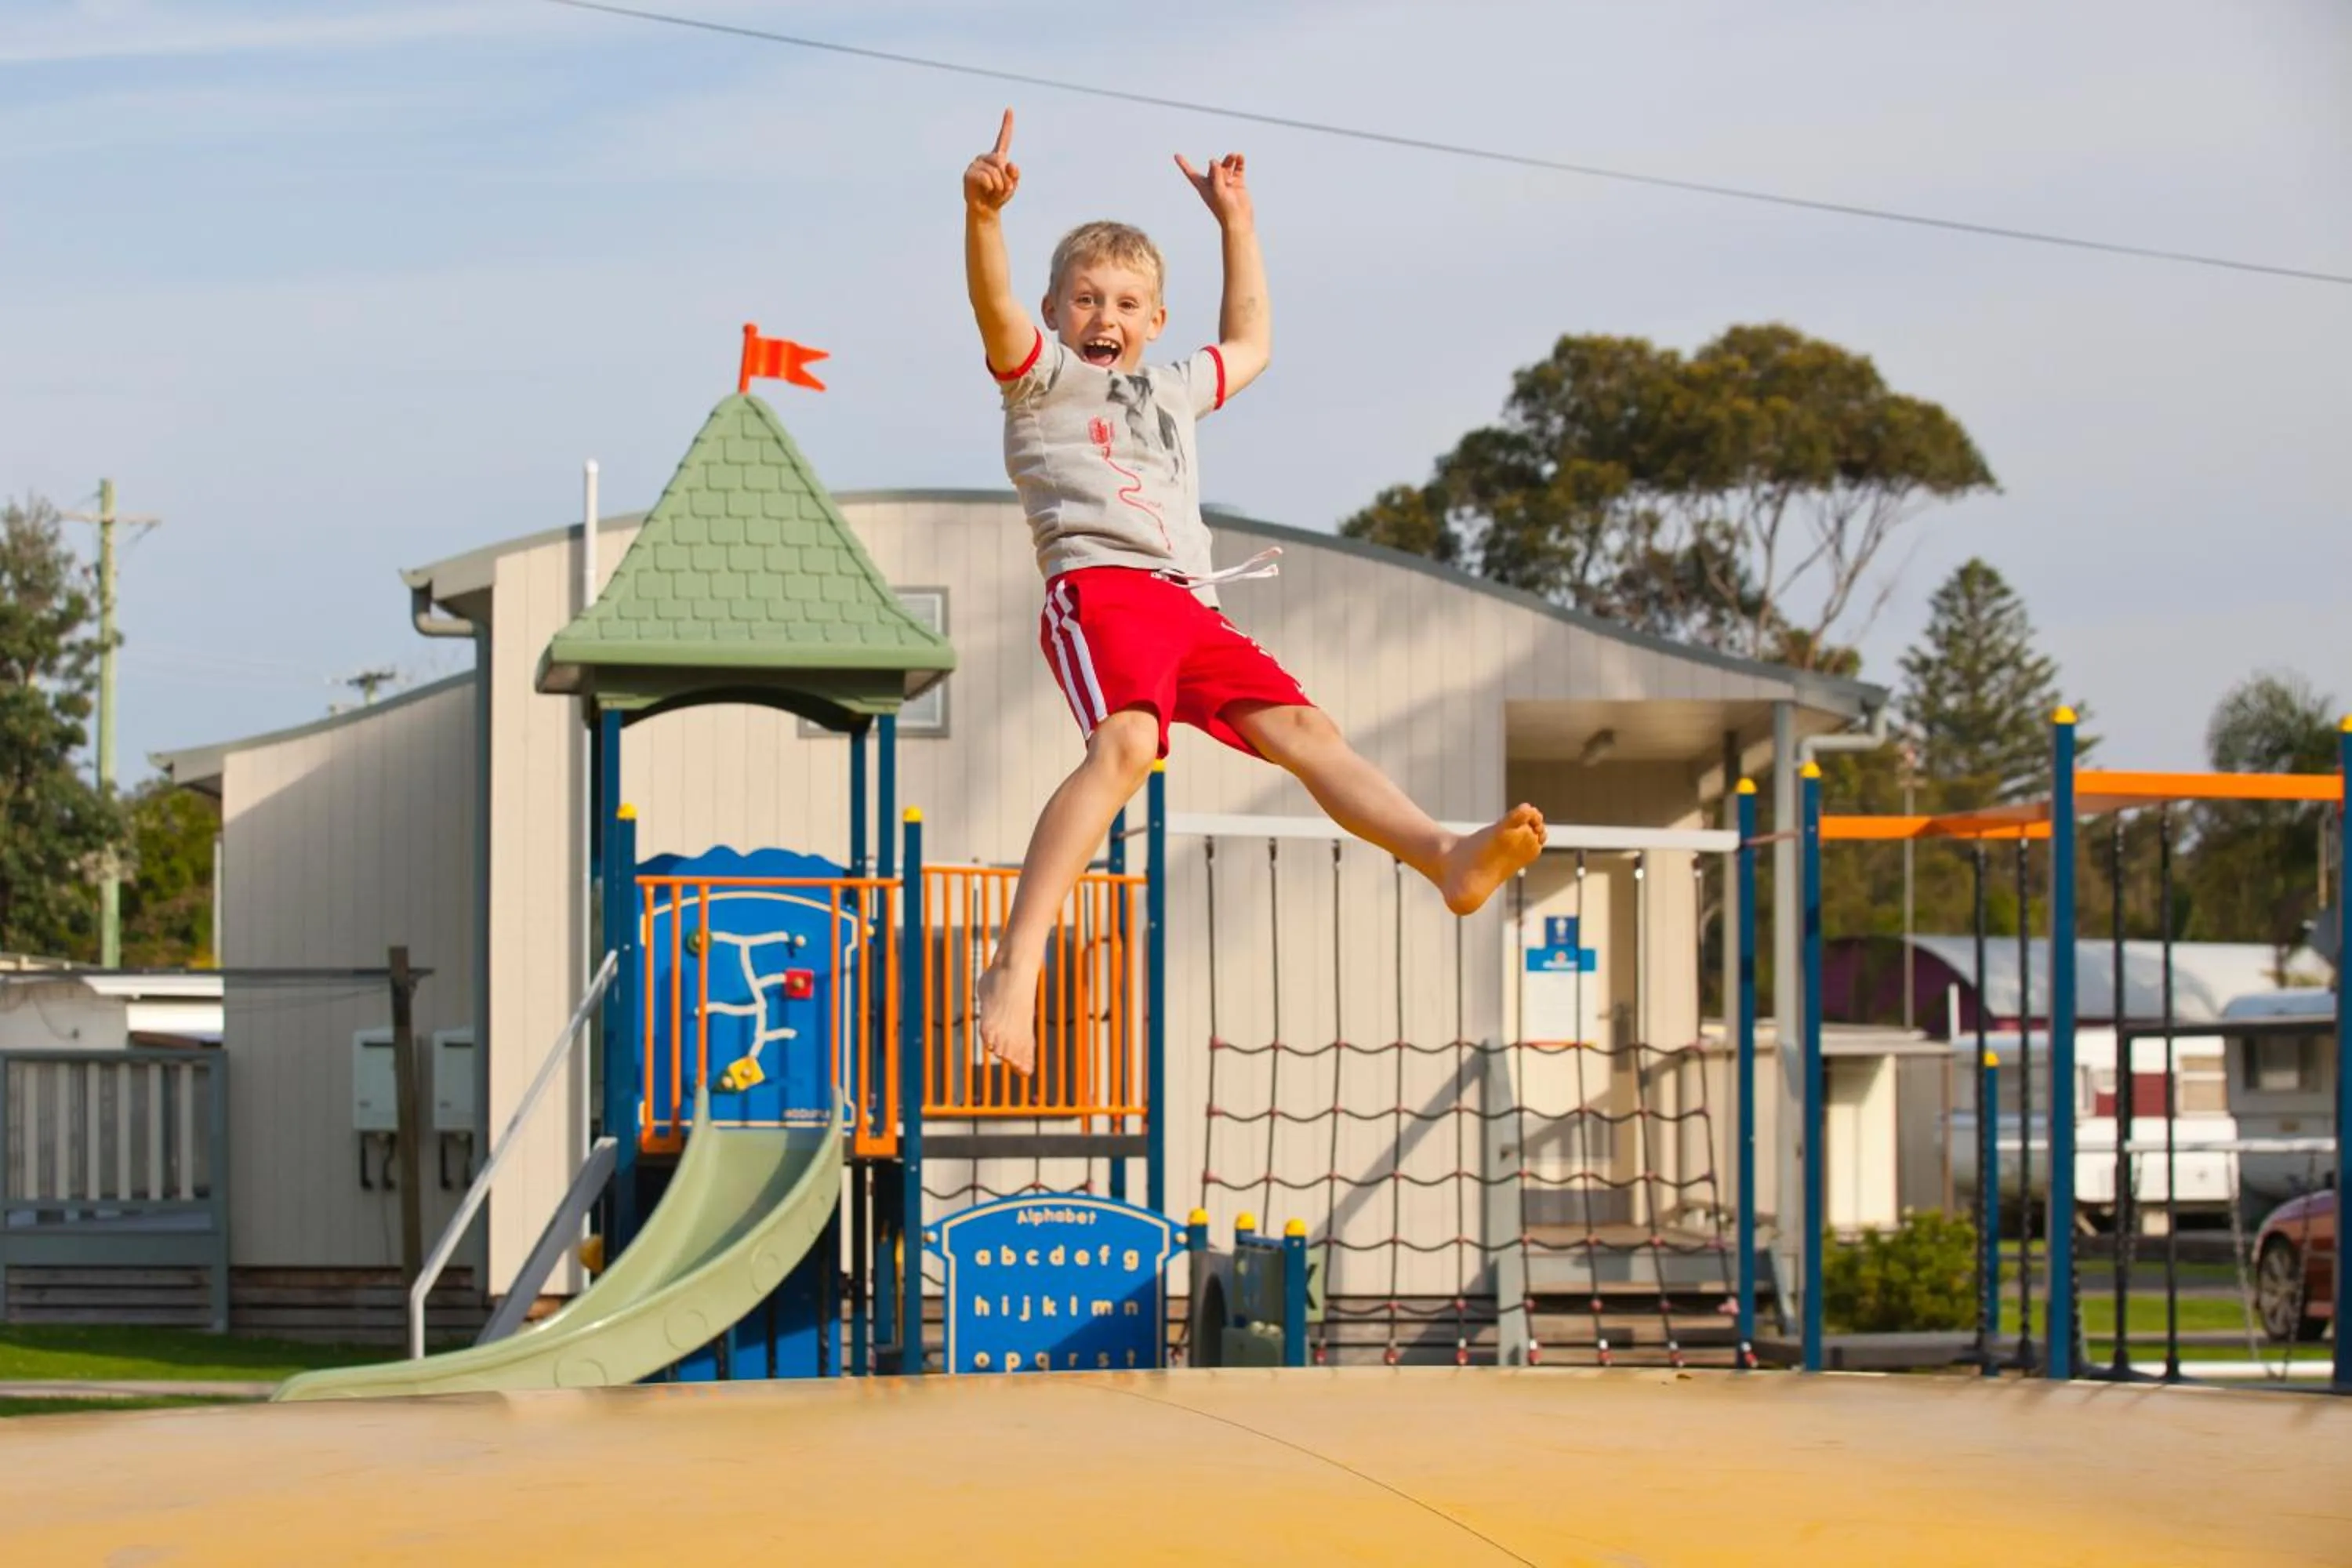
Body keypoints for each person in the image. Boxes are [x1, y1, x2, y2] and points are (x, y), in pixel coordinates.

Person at [961, 108, 1545, 1075]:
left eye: (1127, 303)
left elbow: (1254, 339)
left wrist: (1236, 218)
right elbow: (993, 308)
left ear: (1155, 321)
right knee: (1128, 745)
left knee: (1312, 733)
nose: (1105, 318)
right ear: (1057, 309)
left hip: (1191, 604)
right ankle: (1015, 963)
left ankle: (1443, 854)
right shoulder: (1041, 379)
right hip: (1101, 591)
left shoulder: (1173, 390)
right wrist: (984, 217)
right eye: (1085, 299)